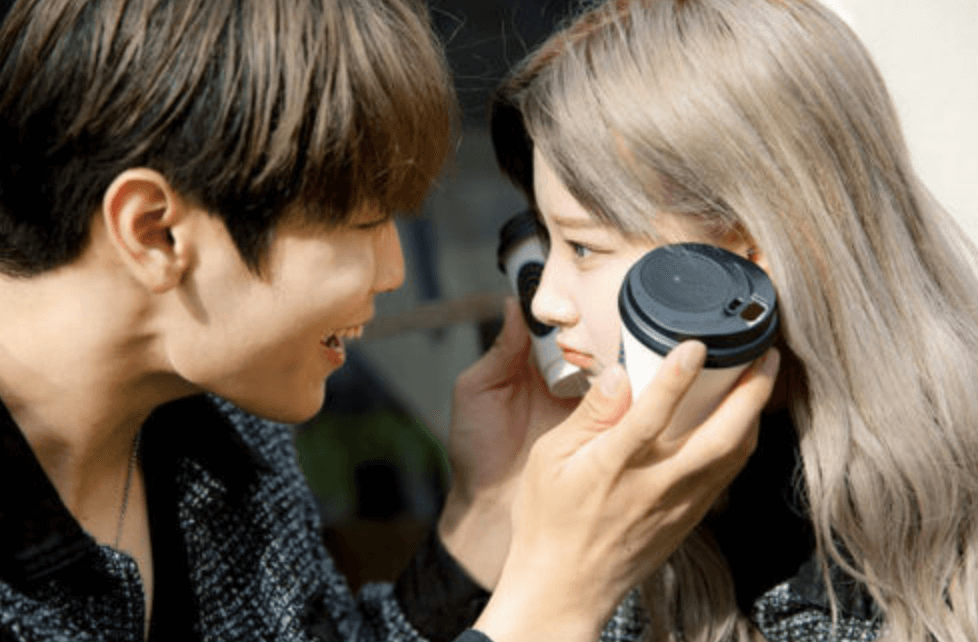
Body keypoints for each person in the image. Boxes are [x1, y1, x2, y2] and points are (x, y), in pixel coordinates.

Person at [0, 0, 777, 640]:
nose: (395, 271)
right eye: (367, 223)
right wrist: (558, 599)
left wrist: (488, 517)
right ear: (155, 231)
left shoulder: (226, 435)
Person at [485, 0, 978, 640]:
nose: (545, 302)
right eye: (543, 239)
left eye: (583, 247)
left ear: (751, 257)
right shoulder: (642, 522)